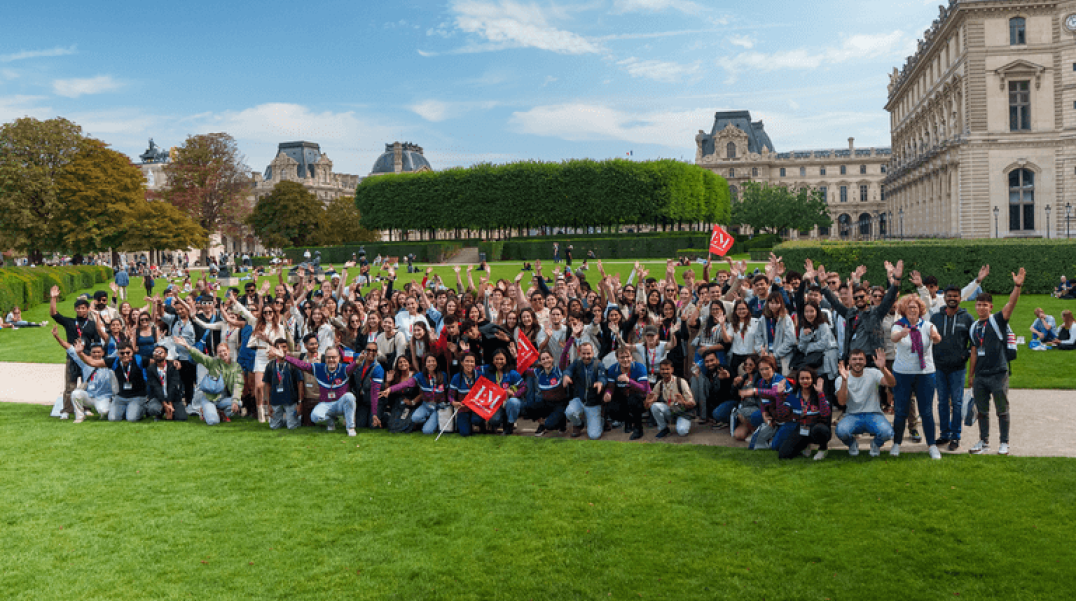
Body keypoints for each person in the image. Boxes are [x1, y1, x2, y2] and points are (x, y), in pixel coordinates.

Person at [967, 268, 1026, 456]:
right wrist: (971, 375)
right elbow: (974, 350)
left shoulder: (997, 320)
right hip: (981, 376)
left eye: (985, 305)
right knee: (982, 412)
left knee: (1002, 410)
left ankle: (1004, 443)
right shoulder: (974, 327)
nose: (981, 308)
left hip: (999, 373)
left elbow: (1011, 303)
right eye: (979, 305)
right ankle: (984, 442)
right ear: (975, 306)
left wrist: (1017, 286)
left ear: (990, 307)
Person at [889, 294, 942, 459]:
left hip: (925, 373)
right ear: (904, 310)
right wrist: (902, 334)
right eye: (909, 307)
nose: (912, 310)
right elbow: (893, 337)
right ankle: (896, 443)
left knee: (926, 412)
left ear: (920, 310)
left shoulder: (928, 325)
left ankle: (932, 445)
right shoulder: (898, 325)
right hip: (903, 373)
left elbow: (938, 338)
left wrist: (935, 337)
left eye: (915, 307)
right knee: (900, 411)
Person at [269, 344, 360, 436]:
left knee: (350, 397)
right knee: (315, 417)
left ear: (339, 357)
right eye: (328, 357)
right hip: (326, 404)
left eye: (334, 357)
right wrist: (285, 357)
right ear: (325, 358)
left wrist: (360, 360)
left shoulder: (344, 368)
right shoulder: (319, 368)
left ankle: (350, 428)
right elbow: (302, 365)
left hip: (340, 403)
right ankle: (330, 421)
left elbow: (355, 364)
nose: (331, 360)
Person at [930, 285, 974, 451]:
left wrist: (966, 354)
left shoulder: (967, 318)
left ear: (960, 298)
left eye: (955, 296)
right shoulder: (935, 318)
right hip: (939, 367)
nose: (952, 298)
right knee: (942, 402)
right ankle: (944, 433)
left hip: (958, 367)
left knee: (956, 403)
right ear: (945, 297)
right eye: (949, 296)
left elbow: (974, 342)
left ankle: (955, 436)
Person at [50, 285, 101, 419]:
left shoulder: (91, 324)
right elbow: (54, 314)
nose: (80, 310)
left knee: (87, 385)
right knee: (70, 385)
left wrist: (95, 358)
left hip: (86, 358)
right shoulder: (70, 322)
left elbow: (96, 341)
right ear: (75, 309)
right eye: (78, 308)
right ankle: (67, 410)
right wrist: (53, 298)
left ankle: (85, 408)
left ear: (88, 309)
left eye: (83, 308)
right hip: (72, 358)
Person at [834, 348, 895, 457]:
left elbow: (892, 383)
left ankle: (875, 444)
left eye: (861, 359)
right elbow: (842, 402)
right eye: (854, 359)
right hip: (852, 415)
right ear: (850, 361)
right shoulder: (841, 378)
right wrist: (844, 380)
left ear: (865, 361)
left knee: (888, 433)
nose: (857, 362)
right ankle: (852, 444)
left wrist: (883, 368)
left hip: (874, 414)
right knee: (841, 431)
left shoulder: (873, 372)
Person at [173, 336, 243, 426]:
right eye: (219, 352)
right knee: (213, 421)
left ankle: (221, 412)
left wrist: (235, 400)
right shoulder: (213, 362)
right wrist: (187, 346)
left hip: (223, 399)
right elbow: (200, 356)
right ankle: (206, 410)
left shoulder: (235, 367)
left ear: (229, 351)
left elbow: (238, 384)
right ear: (217, 354)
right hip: (210, 398)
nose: (222, 353)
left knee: (238, 402)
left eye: (224, 350)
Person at [52, 328, 114, 423]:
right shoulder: (85, 362)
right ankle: (80, 416)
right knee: (76, 393)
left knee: (104, 411)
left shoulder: (109, 362)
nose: (96, 354)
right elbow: (69, 348)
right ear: (90, 353)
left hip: (104, 397)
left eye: (98, 352)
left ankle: (109, 408)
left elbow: (121, 351)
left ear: (103, 353)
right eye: (94, 352)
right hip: (89, 396)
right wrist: (56, 336)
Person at [75, 341, 147, 422]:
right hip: (121, 397)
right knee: (113, 419)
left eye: (128, 352)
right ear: (118, 354)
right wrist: (80, 353)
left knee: (131, 419)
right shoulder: (115, 362)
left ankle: (141, 409)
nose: (125, 355)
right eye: (122, 353)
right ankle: (129, 409)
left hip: (137, 396)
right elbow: (93, 362)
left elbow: (156, 362)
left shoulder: (139, 360)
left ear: (132, 352)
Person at [603, 345, 650, 440]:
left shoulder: (639, 367)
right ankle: (627, 420)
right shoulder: (613, 369)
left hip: (640, 397)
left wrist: (629, 380)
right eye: (622, 357)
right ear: (617, 359)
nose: (625, 360)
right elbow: (610, 387)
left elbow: (644, 388)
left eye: (627, 356)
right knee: (612, 407)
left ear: (632, 357)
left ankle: (638, 429)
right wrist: (608, 393)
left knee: (633, 398)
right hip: (623, 395)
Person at [563, 342, 607, 439]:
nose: (586, 356)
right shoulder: (577, 363)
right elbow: (568, 370)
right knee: (569, 412)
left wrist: (600, 382)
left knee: (594, 435)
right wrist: (566, 376)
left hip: (593, 403)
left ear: (593, 353)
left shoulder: (598, 364)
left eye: (588, 353)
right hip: (579, 399)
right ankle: (578, 424)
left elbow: (603, 377)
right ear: (580, 353)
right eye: (584, 353)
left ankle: (600, 420)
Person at [645, 359, 696, 438]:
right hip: (670, 410)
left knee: (682, 431)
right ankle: (664, 429)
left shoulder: (681, 381)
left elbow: (692, 403)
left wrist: (683, 402)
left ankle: (681, 423)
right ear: (660, 370)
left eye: (667, 369)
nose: (665, 371)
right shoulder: (660, 383)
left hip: (682, 412)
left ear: (672, 369)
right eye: (662, 369)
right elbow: (652, 399)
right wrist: (648, 401)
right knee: (654, 406)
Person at [263, 338, 303, 430]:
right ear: (274, 349)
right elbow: (267, 385)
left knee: (292, 427)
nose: (281, 349)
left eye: (284, 347)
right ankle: (286, 419)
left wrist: (300, 403)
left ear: (288, 348)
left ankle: (292, 419)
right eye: (278, 347)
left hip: (291, 400)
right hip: (275, 400)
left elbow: (300, 383)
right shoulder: (270, 365)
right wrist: (268, 404)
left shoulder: (293, 364)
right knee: (274, 427)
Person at [145, 343, 187, 421]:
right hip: (158, 397)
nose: (157, 354)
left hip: (173, 397)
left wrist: (170, 403)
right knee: (153, 409)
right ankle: (160, 413)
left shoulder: (172, 367)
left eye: (160, 352)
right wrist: (166, 405)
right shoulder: (150, 369)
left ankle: (169, 411)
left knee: (181, 418)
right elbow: (156, 387)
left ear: (166, 355)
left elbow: (173, 385)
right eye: (155, 352)